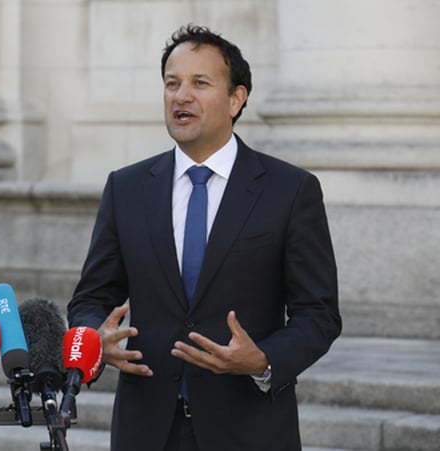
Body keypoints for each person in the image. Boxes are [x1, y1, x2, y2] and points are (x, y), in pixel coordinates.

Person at [67, 24, 341, 450]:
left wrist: (264, 360)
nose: (181, 96)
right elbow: (90, 299)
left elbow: (319, 314)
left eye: (200, 83)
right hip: (147, 431)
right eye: (172, 84)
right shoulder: (126, 188)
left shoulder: (290, 191)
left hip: (248, 429)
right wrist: (93, 339)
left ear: (236, 99)